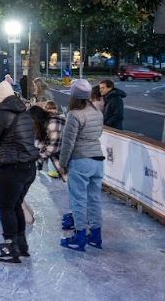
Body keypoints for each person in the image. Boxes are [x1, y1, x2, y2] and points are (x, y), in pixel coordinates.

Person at [0, 80, 39, 263]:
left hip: (10, 168)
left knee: (6, 207)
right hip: (29, 167)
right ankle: (21, 245)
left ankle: (10, 246)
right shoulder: (25, 113)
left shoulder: (0, 114)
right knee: (15, 205)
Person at [58, 79, 106, 252]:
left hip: (80, 160)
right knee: (94, 199)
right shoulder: (97, 112)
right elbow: (98, 133)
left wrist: (62, 163)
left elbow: (68, 142)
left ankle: (79, 237)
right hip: (97, 160)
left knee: (78, 200)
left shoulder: (74, 114)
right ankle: (95, 236)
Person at [33, 101, 66, 179]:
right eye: (50, 109)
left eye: (53, 108)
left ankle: (41, 162)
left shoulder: (51, 121)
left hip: (55, 148)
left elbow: (51, 145)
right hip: (57, 147)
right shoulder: (61, 119)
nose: (52, 110)